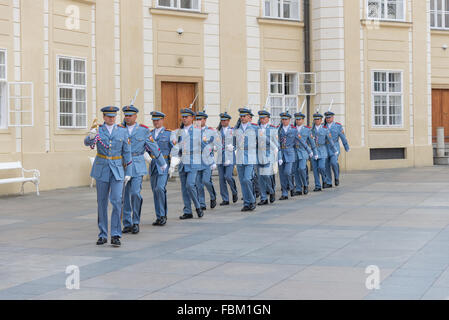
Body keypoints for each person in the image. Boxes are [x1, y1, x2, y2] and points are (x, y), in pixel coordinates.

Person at [84, 106, 132, 247]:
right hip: (102, 168)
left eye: (113, 116)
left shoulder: (122, 131)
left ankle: (116, 234)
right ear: (104, 117)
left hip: (117, 169)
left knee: (117, 201)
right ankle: (103, 234)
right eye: (109, 116)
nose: (111, 119)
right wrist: (91, 136)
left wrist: (128, 171)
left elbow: (127, 152)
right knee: (102, 202)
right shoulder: (98, 130)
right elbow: (87, 142)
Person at [121, 105, 166, 235]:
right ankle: (127, 223)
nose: (128, 117)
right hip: (123, 166)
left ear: (136, 116)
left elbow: (153, 146)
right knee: (124, 196)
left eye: (130, 115)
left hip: (137, 164)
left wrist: (162, 162)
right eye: (126, 115)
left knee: (135, 193)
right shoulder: (119, 129)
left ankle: (136, 221)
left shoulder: (143, 130)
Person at [169, 108, 204, 220]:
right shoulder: (177, 132)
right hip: (182, 161)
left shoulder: (197, 130)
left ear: (191, 118)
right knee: (184, 188)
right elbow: (174, 146)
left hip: (194, 160)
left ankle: (198, 206)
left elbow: (204, 144)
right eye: (183, 117)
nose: (184, 119)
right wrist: (173, 161)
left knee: (190, 184)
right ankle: (188, 210)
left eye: (186, 117)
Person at [148, 111, 173, 226]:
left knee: (159, 188)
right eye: (154, 120)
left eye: (158, 120)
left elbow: (175, 148)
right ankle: (159, 216)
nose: (156, 122)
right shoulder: (149, 133)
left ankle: (163, 215)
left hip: (163, 164)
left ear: (162, 120)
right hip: (153, 164)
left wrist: (173, 164)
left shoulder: (168, 134)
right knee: (155, 191)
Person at [234, 107, 258, 212]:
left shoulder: (254, 128)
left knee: (247, 179)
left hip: (250, 158)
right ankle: (246, 203)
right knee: (242, 181)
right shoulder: (237, 129)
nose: (242, 118)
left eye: (244, 116)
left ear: (249, 117)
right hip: (239, 158)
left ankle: (252, 200)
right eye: (241, 116)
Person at [195, 110, 217, 211]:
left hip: (207, 159)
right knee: (198, 183)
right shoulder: (193, 131)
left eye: (200, 119)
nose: (198, 121)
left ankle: (213, 196)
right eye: (197, 119)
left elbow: (215, 144)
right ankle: (202, 203)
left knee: (206, 181)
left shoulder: (211, 131)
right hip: (196, 160)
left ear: (205, 120)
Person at [311, 112, 337, 191]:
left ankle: (325, 177)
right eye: (315, 119)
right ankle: (317, 185)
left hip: (322, 150)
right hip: (314, 150)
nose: (317, 121)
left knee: (321, 167)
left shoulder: (325, 129)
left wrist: (334, 150)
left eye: (318, 119)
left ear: (321, 120)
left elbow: (330, 140)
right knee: (315, 170)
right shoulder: (311, 130)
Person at [256, 110, 278, 205]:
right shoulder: (256, 128)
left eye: (264, 118)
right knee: (260, 177)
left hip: (269, 155)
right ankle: (263, 197)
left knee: (267, 175)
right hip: (259, 154)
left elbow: (276, 144)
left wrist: (278, 157)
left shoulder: (273, 129)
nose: (262, 120)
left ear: (268, 119)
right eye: (261, 118)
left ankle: (271, 191)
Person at [216, 112, 238, 206]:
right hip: (220, 157)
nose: (223, 122)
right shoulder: (217, 131)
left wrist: (233, 147)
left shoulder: (233, 131)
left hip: (229, 157)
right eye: (222, 120)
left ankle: (234, 191)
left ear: (228, 121)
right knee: (221, 179)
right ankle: (225, 198)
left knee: (228, 176)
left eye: (225, 120)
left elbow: (238, 142)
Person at [323, 111, 350, 186]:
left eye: (329, 117)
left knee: (334, 162)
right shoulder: (323, 126)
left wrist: (346, 146)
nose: (328, 119)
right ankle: (329, 182)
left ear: (333, 117)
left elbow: (343, 137)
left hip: (334, 146)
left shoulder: (338, 126)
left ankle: (336, 177)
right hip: (325, 147)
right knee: (326, 164)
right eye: (327, 117)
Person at [277, 111, 299, 200]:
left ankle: (291, 186)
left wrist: (310, 151)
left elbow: (300, 141)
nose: (284, 121)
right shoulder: (279, 130)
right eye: (283, 119)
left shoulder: (293, 130)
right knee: (282, 175)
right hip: (281, 154)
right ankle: (284, 193)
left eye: (286, 119)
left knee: (287, 172)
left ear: (289, 120)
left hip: (290, 154)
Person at [292, 112, 315, 196]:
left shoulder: (307, 130)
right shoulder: (292, 129)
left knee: (301, 169)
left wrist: (313, 152)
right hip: (294, 152)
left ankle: (305, 184)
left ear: (303, 120)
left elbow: (311, 142)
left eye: (299, 119)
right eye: (297, 119)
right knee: (295, 171)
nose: (298, 121)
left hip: (303, 152)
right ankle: (298, 188)